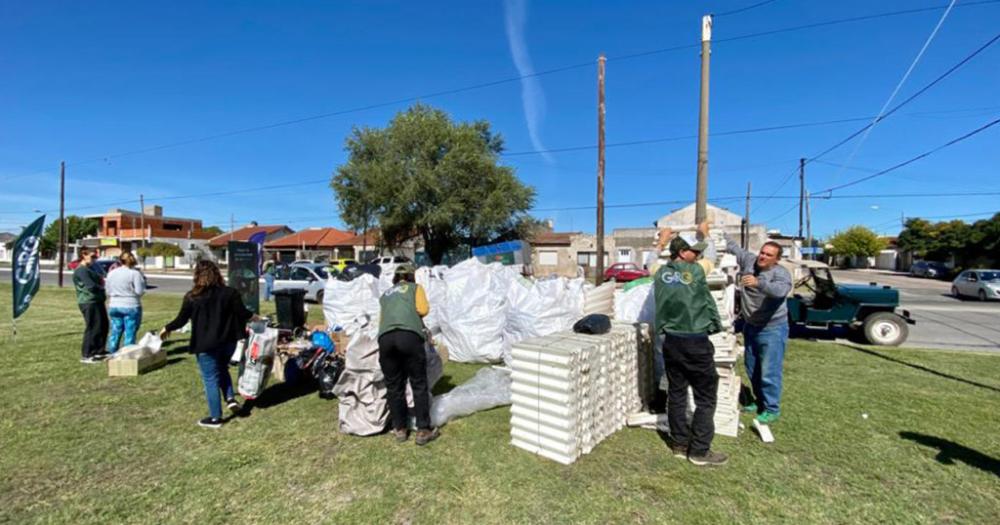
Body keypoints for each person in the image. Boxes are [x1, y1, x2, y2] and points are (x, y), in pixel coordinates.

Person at [654, 222, 727, 466]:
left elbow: (649, 262)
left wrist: (662, 241)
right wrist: (705, 233)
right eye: (693, 251)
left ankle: (679, 444)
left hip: (671, 341)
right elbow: (713, 256)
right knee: (706, 396)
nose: (697, 254)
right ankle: (699, 451)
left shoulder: (659, 272)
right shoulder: (697, 271)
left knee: (676, 393)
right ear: (682, 252)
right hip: (695, 341)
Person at [160, 261, 256, 429]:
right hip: (228, 342)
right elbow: (243, 313)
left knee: (210, 379)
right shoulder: (230, 293)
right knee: (222, 368)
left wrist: (167, 328)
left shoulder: (192, 296)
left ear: (197, 275)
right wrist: (256, 317)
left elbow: (181, 320)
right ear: (217, 274)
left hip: (206, 345)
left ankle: (215, 418)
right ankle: (230, 398)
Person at [724, 234, 793, 426]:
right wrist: (712, 232)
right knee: (752, 367)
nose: (762, 257)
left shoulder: (781, 274)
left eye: (768, 255)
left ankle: (771, 409)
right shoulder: (750, 260)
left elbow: (779, 291)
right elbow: (734, 248)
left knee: (769, 370)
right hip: (751, 326)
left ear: (776, 259)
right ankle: (758, 400)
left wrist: (758, 283)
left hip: (772, 328)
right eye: (762, 252)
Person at [377, 264, 438, 445]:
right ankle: (423, 430)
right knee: (418, 383)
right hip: (409, 336)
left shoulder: (385, 295)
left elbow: (382, 320)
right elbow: (423, 309)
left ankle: (400, 429)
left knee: (394, 385)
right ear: (411, 277)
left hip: (385, 339)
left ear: (395, 278)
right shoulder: (415, 288)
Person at [105, 252, 147, 353]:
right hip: (131, 304)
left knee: (115, 330)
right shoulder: (135, 273)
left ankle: (112, 352)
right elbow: (139, 291)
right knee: (130, 332)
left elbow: (107, 290)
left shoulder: (111, 273)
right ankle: (127, 353)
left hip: (114, 304)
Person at [74, 248, 109, 364]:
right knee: (93, 327)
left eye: (96, 257)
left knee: (103, 325)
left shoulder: (90, 269)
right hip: (88, 302)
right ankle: (87, 354)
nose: (95, 259)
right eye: (93, 256)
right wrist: (103, 286)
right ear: (84, 255)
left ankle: (99, 350)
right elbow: (91, 286)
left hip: (97, 301)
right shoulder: (81, 271)